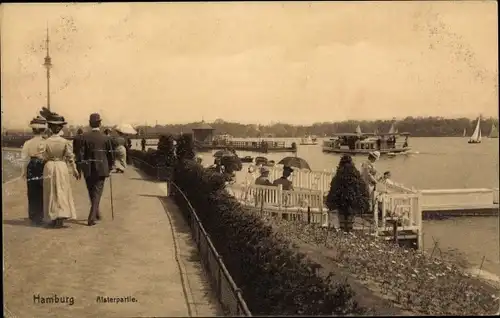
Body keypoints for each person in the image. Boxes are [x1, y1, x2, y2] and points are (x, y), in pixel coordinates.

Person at [41, 111, 79, 228]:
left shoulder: (46, 142)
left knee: (51, 191)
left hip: (50, 166)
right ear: (60, 127)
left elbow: (43, 156)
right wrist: (74, 169)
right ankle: (61, 216)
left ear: (50, 127)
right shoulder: (65, 142)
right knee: (62, 190)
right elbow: (70, 157)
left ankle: (52, 216)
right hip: (61, 166)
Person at [81, 113, 114, 226]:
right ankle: (92, 217)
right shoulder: (105, 138)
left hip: (88, 168)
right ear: (100, 123)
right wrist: (110, 166)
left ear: (90, 123)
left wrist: (81, 167)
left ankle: (97, 213)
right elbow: (110, 155)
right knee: (97, 192)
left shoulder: (84, 137)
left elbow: (82, 154)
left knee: (91, 191)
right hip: (101, 168)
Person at [20, 116, 48, 225]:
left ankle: (33, 215)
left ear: (33, 130)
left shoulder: (28, 143)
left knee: (32, 191)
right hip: (42, 165)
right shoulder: (46, 142)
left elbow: (24, 158)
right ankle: (41, 215)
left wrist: (23, 172)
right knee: (42, 190)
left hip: (31, 165)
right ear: (43, 130)